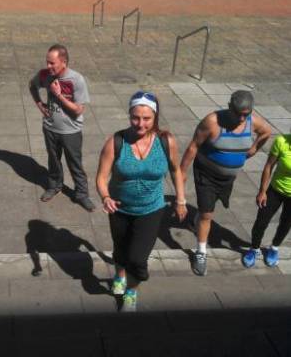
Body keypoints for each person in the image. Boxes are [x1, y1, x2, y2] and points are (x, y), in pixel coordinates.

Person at [96, 91, 187, 311]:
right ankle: (119, 276)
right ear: (129, 115)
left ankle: (132, 291)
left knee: (137, 259)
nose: (140, 123)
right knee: (121, 249)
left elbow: (176, 170)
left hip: (151, 209)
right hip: (119, 209)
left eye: (146, 118)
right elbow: (100, 177)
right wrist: (105, 196)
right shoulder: (116, 142)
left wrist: (181, 200)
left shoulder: (166, 141)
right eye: (135, 117)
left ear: (155, 117)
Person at [180, 90, 271, 276]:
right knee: (207, 215)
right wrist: (181, 173)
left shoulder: (252, 122)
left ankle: (198, 218)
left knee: (208, 209)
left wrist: (254, 149)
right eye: (237, 113)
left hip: (228, 178)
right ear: (229, 107)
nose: (241, 118)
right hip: (206, 175)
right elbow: (193, 146)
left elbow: (267, 131)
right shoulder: (212, 122)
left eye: (245, 114)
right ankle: (201, 252)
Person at [29, 44, 95, 212]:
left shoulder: (76, 80)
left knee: (75, 163)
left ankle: (81, 194)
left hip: (71, 131)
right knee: (53, 160)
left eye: (52, 63)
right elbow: (32, 85)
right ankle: (54, 186)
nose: (48, 66)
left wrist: (58, 95)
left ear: (63, 62)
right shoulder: (45, 75)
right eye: (47, 62)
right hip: (50, 128)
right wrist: (39, 105)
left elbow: (79, 110)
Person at [242, 133, 291, 268]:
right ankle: (254, 249)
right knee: (261, 222)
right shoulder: (281, 141)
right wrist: (262, 191)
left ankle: (274, 248)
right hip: (275, 190)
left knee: (286, 223)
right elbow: (269, 166)